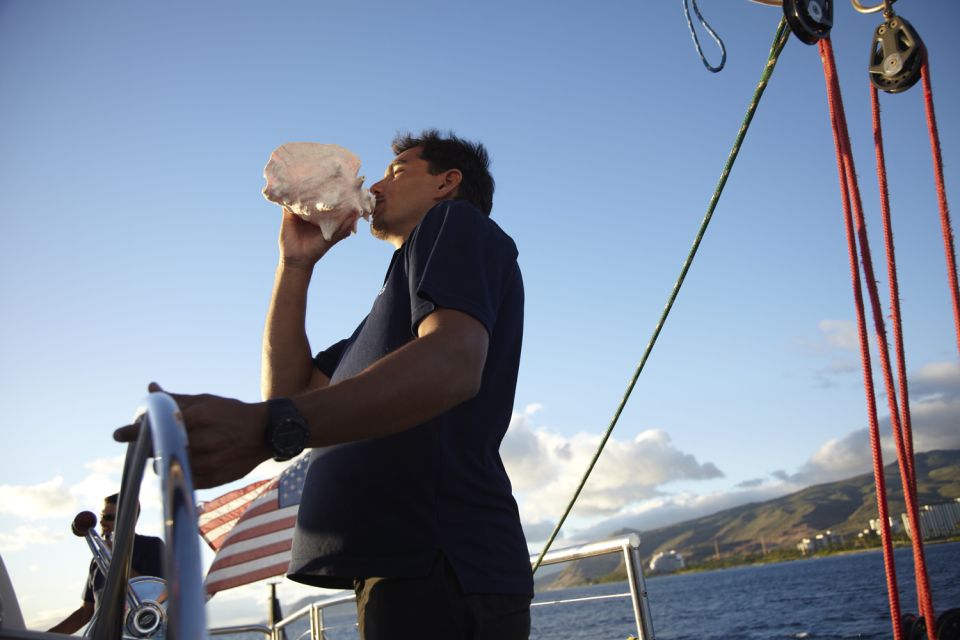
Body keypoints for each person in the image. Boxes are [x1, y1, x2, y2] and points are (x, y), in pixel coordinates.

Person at [116, 130, 533, 639]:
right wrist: (295, 265)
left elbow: (454, 360)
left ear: (447, 183)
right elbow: (290, 392)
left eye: (396, 171)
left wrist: (271, 427)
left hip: (442, 562)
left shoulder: (454, 222)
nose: (376, 185)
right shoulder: (383, 321)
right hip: (402, 568)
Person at [47, 494, 165, 635]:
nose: (102, 523)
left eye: (109, 518)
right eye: (102, 516)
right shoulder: (97, 561)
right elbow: (86, 612)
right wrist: (42, 637)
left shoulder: (152, 547)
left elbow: (158, 591)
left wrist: (116, 559)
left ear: (129, 520)